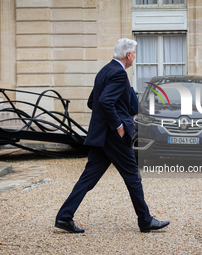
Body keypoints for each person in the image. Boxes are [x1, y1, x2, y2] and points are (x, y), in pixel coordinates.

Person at [55, 38, 170, 233]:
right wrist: (118, 125)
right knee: (133, 176)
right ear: (128, 55)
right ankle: (145, 221)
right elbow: (105, 101)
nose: (135, 57)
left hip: (101, 136)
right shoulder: (118, 73)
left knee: (88, 179)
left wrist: (115, 112)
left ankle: (64, 217)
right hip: (114, 137)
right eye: (134, 53)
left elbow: (93, 102)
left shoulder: (104, 71)